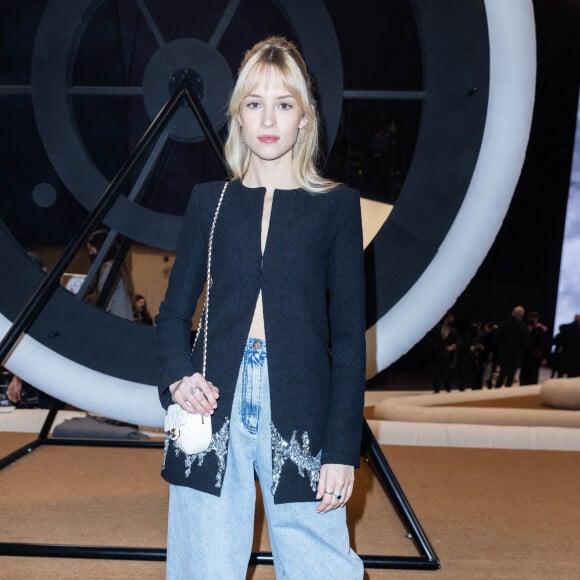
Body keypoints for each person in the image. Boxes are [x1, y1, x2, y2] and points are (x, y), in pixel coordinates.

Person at [155, 37, 365, 579]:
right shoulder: (210, 201)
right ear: (238, 119)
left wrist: (343, 447)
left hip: (301, 403)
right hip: (210, 402)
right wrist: (179, 379)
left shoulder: (337, 207)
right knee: (203, 564)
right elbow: (174, 314)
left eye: (284, 103)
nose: (268, 118)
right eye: (254, 103)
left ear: (304, 118)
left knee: (321, 563)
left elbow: (347, 341)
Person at [86, 230, 134, 320]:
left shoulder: (109, 268)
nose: (90, 253)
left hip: (115, 319)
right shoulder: (115, 266)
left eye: (91, 249)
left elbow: (105, 300)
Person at [495, 305, 529, 387]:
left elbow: (497, 338)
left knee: (502, 374)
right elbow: (525, 341)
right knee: (510, 377)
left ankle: (495, 393)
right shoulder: (522, 326)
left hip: (504, 353)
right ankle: (506, 395)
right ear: (521, 315)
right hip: (515, 355)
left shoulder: (504, 324)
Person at [427, 312, 459, 393]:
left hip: (447, 355)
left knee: (446, 373)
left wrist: (453, 346)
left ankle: (448, 389)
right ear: (445, 319)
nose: (450, 321)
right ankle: (436, 389)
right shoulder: (437, 328)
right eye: (449, 319)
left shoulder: (453, 331)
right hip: (437, 354)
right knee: (435, 372)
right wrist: (435, 347)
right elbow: (430, 339)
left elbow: (457, 342)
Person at [519, 311, 550, 385]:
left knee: (533, 374)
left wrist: (544, 357)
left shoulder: (541, 329)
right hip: (525, 355)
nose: (533, 319)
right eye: (531, 317)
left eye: (534, 318)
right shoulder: (524, 327)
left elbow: (545, 344)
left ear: (537, 319)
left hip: (535, 355)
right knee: (524, 374)